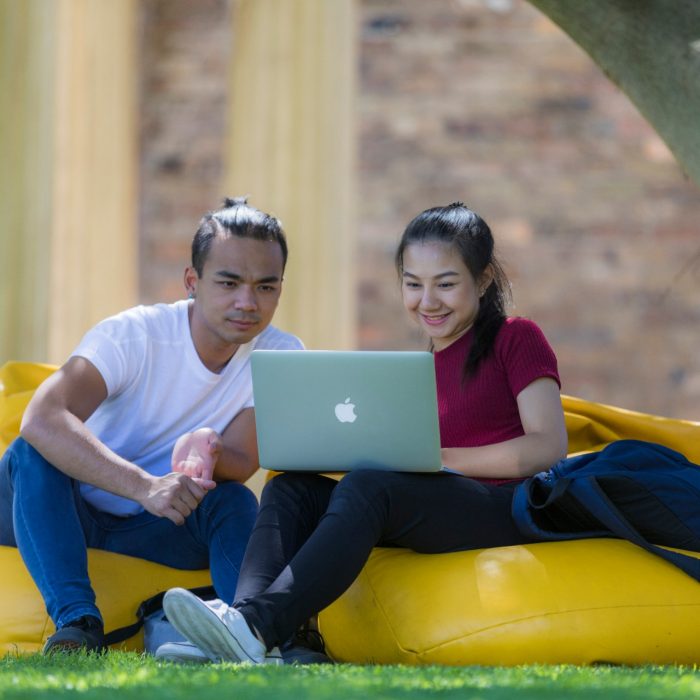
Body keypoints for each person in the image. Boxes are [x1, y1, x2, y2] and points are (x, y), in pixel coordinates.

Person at [161, 201, 569, 665]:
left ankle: (258, 625)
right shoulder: (414, 372)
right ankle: (244, 624)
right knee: (291, 487)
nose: (427, 301)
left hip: (506, 506)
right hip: (432, 503)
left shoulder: (516, 337)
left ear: (482, 280)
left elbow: (547, 446)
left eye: (446, 284)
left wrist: (437, 458)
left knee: (370, 485)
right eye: (413, 284)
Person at [0, 196, 303, 654]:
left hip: (157, 526)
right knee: (31, 454)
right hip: (59, 511)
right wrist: (145, 486)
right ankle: (78, 624)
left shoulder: (281, 355)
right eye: (229, 282)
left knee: (234, 500)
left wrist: (212, 447)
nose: (247, 302)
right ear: (191, 282)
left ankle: (249, 629)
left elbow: (240, 464)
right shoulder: (135, 334)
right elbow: (41, 419)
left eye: (266, 287)